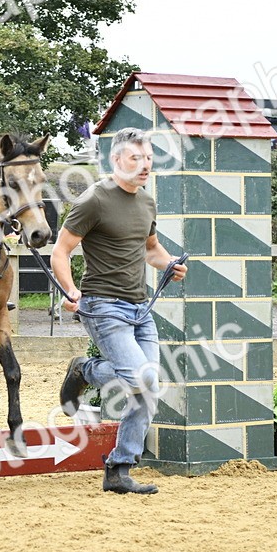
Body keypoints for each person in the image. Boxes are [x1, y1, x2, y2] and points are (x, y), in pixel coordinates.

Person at [51, 127, 187, 496]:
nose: (145, 166)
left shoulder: (146, 202)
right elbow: (60, 252)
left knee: (148, 388)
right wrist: (70, 291)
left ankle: (118, 468)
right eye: (136, 159)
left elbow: (151, 250)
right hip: (102, 306)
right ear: (115, 160)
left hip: (141, 308)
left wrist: (169, 264)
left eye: (148, 159)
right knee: (143, 380)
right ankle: (87, 369)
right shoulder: (94, 200)